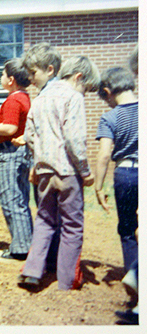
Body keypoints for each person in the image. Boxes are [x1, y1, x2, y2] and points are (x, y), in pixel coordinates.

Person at [18, 43, 95, 290]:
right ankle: (66, 281)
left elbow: (30, 136)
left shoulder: (38, 100)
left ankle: (32, 271)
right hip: (68, 171)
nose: (30, 80)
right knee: (72, 225)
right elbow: (74, 139)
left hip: (44, 171)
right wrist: (85, 170)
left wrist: (38, 160)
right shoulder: (73, 96)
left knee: (44, 220)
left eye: (32, 74)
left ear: (49, 70)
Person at [93, 65, 138, 324]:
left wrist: (99, 186)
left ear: (108, 92)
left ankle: (136, 290)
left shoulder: (110, 118)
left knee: (129, 231)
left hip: (126, 175)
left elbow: (104, 155)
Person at [0, 58, 33, 262]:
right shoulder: (25, 98)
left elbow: (10, 129)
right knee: (21, 200)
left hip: (10, 153)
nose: (1, 77)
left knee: (11, 199)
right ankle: (26, 244)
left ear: (11, 80)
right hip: (21, 153)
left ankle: (20, 250)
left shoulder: (13, 100)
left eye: (2, 74)